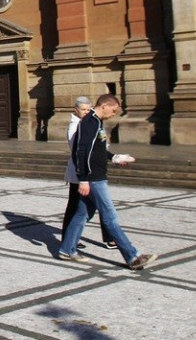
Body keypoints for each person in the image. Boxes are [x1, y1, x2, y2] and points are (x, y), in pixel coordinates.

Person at [58, 94, 158, 270]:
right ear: (104, 105)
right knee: (110, 217)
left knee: (82, 215)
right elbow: (81, 152)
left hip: (95, 176)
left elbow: (98, 150)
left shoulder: (96, 122)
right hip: (94, 178)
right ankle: (133, 257)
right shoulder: (90, 123)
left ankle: (67, 249)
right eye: (113, 110)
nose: (114, 114)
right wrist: (83, 179)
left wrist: (115, 158)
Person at [60, 97, 116, 249]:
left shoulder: (94, 122)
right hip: (80, 172)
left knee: (95, 206)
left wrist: (111, 155)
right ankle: (68, 238)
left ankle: (109, 237)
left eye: (88, 109)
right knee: (76, 206)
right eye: (83, 109)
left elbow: (101, 143)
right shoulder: (76, 126)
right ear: (75, 110)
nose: (86, 112)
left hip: (92, 171)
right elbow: (79, 151)